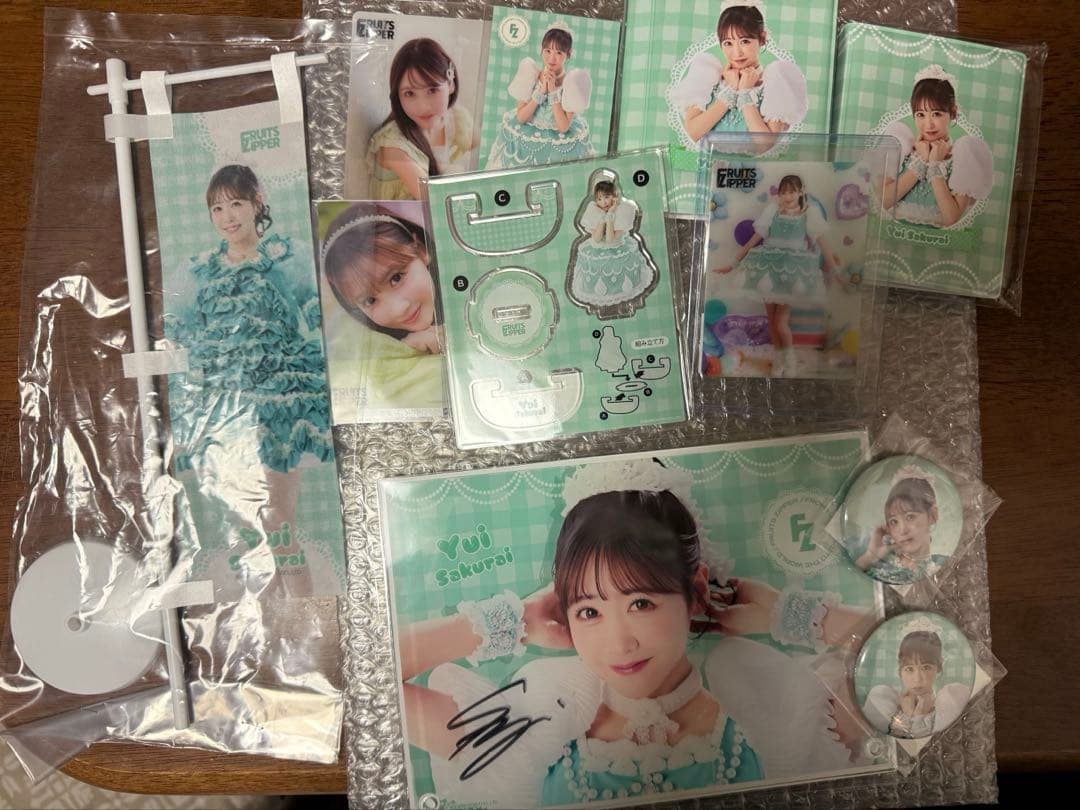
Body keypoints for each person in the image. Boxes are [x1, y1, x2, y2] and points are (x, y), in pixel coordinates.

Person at [396, 458, 868, 807]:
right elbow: (374, 682)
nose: (620, 644)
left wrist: (790, 614)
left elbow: (906, 655)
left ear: (695, 590)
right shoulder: (539, 721)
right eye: (589, 611)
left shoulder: (770, 709)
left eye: (641, 603)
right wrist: (511, 619)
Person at [168, 164, 333, 590]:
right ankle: (273, 609)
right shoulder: (198, 271)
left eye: (236, 204)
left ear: (257, 203)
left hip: (279, 407)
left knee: (277, 518)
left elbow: (323, 316)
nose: (227, 216)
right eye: (217, 208)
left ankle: (303, 605)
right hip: (226, 415)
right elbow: (178, 340)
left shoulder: (288, 258)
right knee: (248, 527)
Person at [714, 175, 837, 377]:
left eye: (792, 191)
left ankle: (791, 362)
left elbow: (823, 244)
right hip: (769, 268)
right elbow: (754, 240)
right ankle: (780, 360)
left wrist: (835, 271)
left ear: (801, 191)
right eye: (783, 192)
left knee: (780, 321)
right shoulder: (772, 210)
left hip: (791, 270)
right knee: (772, 321)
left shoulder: (809, 213)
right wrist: (733, 264)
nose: (787, 196)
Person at [674, 1, 807, 145]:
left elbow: (765, 145)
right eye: (728, 43)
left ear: (762, 38)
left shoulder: (775, 82)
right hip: (710, 160)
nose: (737, 53)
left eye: (745, 41)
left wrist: (745, 92)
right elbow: (693, 133)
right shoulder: (708, 77)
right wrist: (731, 90)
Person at [879, 65, 993, 228]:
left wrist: (934, 165)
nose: (928, 124)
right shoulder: (903, 148)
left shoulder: (963, 156)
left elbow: (952, 219)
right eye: (920, 114)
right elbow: (882, 201)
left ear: (953, 112)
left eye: (937, 114)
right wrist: (922, 161)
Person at [365, 38, 477, 200]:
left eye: (432, 90)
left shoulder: (456, 119)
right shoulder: (393, 146)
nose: (423, 107)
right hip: (404, 217)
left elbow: (490, 153)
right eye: (409, 93)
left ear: (450, 84)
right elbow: (435, 200)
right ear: (397, 96)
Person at [320, 206, 441, 355]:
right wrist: (405, 352)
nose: (399, 309)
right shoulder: (374, 351)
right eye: (370, 300)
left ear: (421, 250)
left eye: (396, 278)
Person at [486, 21, 595, 169]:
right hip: (526, 139)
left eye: (559, 53)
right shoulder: (531, 74)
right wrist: (541, 91)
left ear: (568, 54)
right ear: (541, 50)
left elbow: (563, 127)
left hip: (557, 146)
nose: (552, 58)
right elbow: (521, 118)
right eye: (547, 51)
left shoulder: (570, 83)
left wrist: (554, 92)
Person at [861, 621, 971, 738]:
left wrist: (919, 714)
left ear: (939, 666)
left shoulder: (948, 701)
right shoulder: (882, 699)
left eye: (926, 667)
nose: (917, 679)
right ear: (900, 669)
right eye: (909, 669)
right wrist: (909, 715)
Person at [855, 466, 951, 585]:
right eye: (894, 521)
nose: (903, 530)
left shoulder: (943, 564)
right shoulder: (883, 569)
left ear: (933, 515)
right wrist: (870, 556)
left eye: (910, 517)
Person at [569, 179, 653, 307]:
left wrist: (611, 213)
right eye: (599, 199)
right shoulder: (594, 211)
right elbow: (596, 239)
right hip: (596, 249)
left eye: (607, 197)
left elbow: (610, 239)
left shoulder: (622, 212)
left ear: (615, 196)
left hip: (618, 246)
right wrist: (602, 217)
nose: (603, 202)